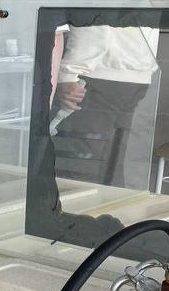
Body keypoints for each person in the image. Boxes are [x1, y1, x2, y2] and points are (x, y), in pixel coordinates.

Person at [52, 24, 160, 186]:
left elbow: (94, 21)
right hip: (137, 74)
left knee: (78, 161)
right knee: (112, 161)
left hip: (99, 75)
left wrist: (68, 75)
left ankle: (79, 201)